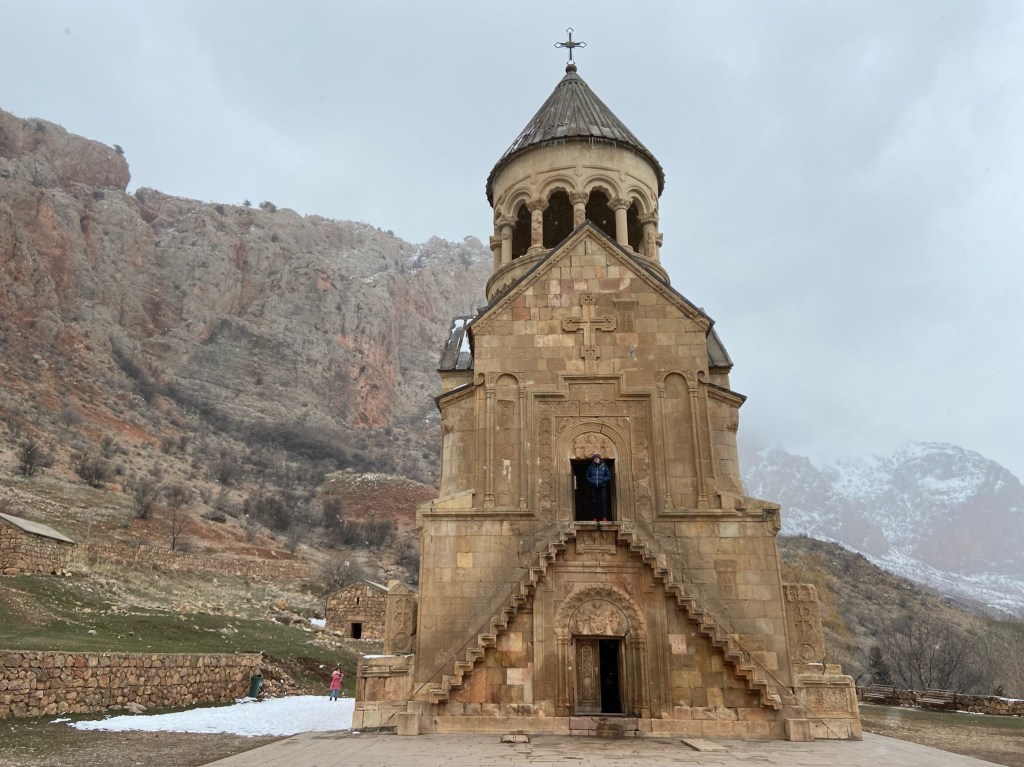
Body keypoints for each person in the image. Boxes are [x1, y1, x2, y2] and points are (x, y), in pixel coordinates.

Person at [585, 453, 612, 520]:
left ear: (600, 459)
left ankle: (604, 517)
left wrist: (602, 480)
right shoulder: (591, 467)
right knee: (594, 501)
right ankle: (594, 517)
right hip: (593, 486)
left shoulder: (604, 466)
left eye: (597, 458)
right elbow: (587, 475)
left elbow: (609, 476)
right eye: (595, 458)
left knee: (603, 501)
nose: (596, 459)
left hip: (602, 486)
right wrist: (591, 481)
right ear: (593, 460)